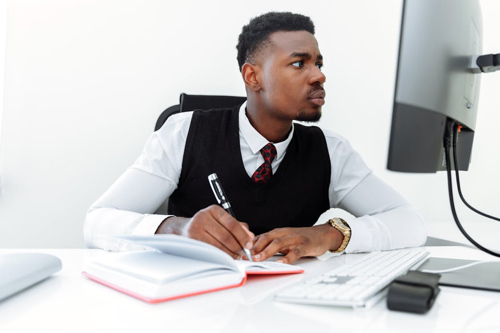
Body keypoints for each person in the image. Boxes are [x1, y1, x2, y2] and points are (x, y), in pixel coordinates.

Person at [84, 12, 426, 264]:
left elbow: (409, 222)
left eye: (319, 63)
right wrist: (177, 229)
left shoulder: (330, 150)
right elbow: (97, 221)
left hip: (293, 308)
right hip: (195, 308)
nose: (319, 75)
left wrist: (328, 234)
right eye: (299, 63)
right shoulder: (182, 132)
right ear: (253, 76)